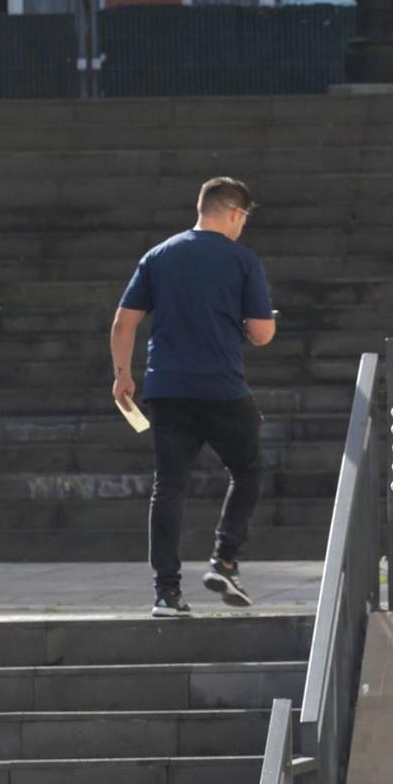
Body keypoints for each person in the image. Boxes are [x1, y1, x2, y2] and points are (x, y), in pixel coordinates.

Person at [110, 177, 276, 617]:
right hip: (222, 389)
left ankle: (166, 593)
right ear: (235, 213)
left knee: (168, 488)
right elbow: (261, 334)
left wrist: (122, 376)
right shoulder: (243, 261)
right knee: (248, 471)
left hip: (167, 389)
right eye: (245, 218)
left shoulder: (159, 256)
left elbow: (123, 323)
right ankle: (224, 560)